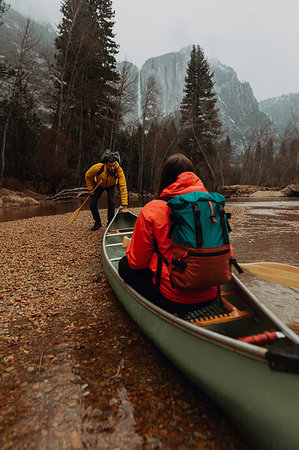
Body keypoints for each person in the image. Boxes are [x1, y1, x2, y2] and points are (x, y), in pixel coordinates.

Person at [118, 153, 218, 314]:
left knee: (124, 265)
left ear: (165, 178)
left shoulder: (153, 209)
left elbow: (137, 263)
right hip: (212, 293)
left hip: (174, 299)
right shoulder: (212, 204)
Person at [85, 155, 128, 230]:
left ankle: (110, 223)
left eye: (113, 166)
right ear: (106, 164)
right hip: (99, 184)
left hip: (112, 185)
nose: (112, 168)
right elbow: (87, 176)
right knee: (92, 203)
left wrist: (124, 206)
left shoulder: (119, 171)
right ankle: (98, 223)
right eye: (110, 166)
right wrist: (90, 189)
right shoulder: (98, 167)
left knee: (111, 202)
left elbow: (123, 187)